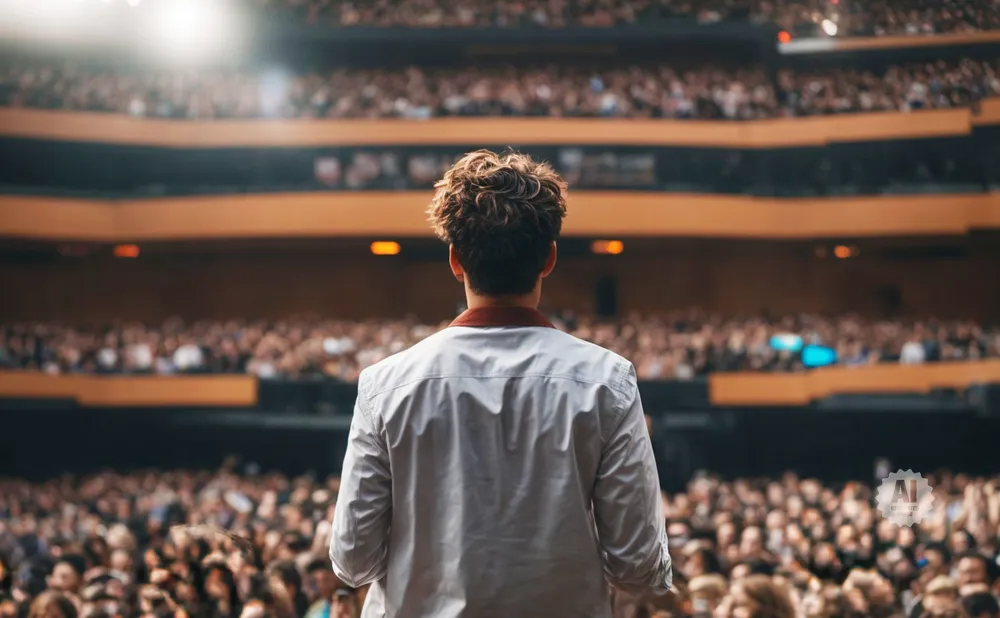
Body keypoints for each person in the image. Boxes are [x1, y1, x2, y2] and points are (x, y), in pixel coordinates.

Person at [329, 149, 672, 617]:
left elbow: (353, 560)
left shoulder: (384, 385)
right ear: (549, 258)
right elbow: (637, 566)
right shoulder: (606, 381)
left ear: (455, 260)